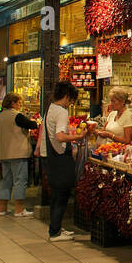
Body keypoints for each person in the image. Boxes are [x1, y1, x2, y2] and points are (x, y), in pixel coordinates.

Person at [40, 81, 86, 242]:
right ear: (67, 96)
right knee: (62, 194)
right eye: (72, 99)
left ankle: (56, 227)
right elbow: (60, 136)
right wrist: (78, 136)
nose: (71, 103)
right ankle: (55, 232)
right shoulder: (61, 112)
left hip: (50, 156)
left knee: (56, 194)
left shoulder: (50, 108)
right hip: (59, 156)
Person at [0, 92, 38, 217]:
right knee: (20, 180)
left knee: (6, 180)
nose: (20, 105)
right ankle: (19, 209)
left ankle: (2, 208)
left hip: (4, 153)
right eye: (19, 102)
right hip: (18, 152)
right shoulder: (16, 116)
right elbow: (32, 125)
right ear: (12, 103)